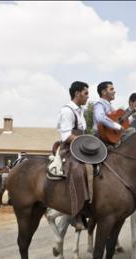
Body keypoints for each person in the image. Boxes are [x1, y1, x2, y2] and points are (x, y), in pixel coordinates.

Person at [55, 80, 90, 230]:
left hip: (80, 147)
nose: (88, 97)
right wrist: (85, 142)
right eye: (86, 93)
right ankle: (76, 214)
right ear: (77, 93)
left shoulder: (80, 110)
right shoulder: (67, 111)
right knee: (77, 170)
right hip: (69, 149)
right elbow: (66, 136)